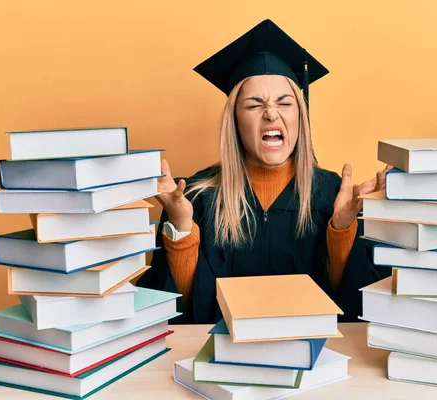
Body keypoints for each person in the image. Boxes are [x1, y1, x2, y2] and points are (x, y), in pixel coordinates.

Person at [137, 19, 391, 324]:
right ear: (235, 121)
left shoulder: (335, 195)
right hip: (223, 358)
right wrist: (181, 229)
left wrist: (341, 230)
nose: (271, 113)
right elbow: (181, 315)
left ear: (300, 116)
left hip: (313, 362)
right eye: (254, 105)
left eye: (285, 103)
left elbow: (355, 311)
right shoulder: (195, 198)